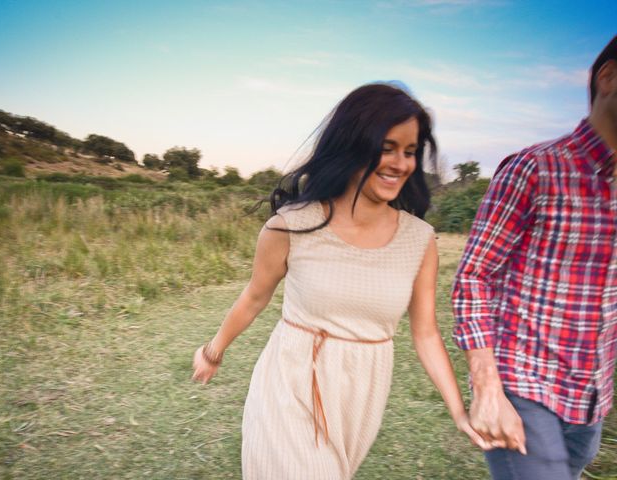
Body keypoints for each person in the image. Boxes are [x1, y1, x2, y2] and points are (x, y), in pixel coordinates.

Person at [192, 82, 485, 479]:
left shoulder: (419, 240)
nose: (400, 163)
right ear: (353, 144)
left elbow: (426, 333)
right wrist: (213, 352)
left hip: (361, 397)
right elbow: (254, 297)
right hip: (291, 384)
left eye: (410, 151)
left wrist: (459, 411)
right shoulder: (291, 227)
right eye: (387, 147)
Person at [452, 35, 617, 480]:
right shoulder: (534, 168)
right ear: (608, 76)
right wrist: (487, 385)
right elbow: (473, 277)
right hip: (523, 383)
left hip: (591, 395)